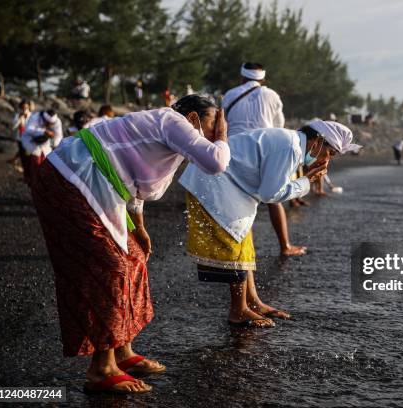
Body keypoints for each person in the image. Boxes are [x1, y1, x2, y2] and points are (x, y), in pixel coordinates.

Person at [29, 94, 230, 394]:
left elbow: (135, 178)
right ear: (193, 118)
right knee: (110, 267)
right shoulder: (173, 122)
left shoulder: (167, 132)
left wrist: (140, 228)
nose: (216, 129)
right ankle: (101, 368)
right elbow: (216, 163)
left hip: (96, 183)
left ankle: (122, 351)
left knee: (134, 257)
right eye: (214, 121)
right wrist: (223, 136)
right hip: (70, 177)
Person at [179, 120, 360, 328]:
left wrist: (304, 181)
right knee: (235, 248)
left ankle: (253, 302)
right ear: (318, 141)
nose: (327, 160)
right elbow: (271, 193)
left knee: (244, 246)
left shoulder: (291, 143)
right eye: (330, 153)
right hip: (214, 183)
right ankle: (238, 311)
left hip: (224, 182)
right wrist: (306, 182)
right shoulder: (291, 147)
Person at [222, 62, 306, 256]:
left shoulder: (230, 95)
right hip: (264, 152)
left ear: (242, 77)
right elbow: (279, 127)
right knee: (274, 198)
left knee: (240, 202)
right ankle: (285, 246)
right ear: (263, 80)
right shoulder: (272, 95)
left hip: (235, 152)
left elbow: (222, 123)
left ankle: (241, 253)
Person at [20, 109, 63, 185]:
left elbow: (58, 136)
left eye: (51, 124)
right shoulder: (35, 117)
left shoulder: (57, 122)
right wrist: (43, 131)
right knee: (34, 162)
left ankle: (40, 181)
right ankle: (32, 180)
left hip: (46, 143)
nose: (49, 125)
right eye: (48, 123)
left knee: (44, 162)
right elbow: (28, 129)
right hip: (30, 141)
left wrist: (54, 143)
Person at [6, 99, 32, 172]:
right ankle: (25, 171)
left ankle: (16, 162)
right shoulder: (18, 115)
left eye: (26, 108)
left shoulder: (32, 116)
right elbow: (13, 127)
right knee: (23, 154)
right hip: (20, 138)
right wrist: (20, 118)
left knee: (27, 154)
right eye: (23, 108)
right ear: (21, 108)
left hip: (29, 139)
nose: (24, 109)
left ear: (28, 108)